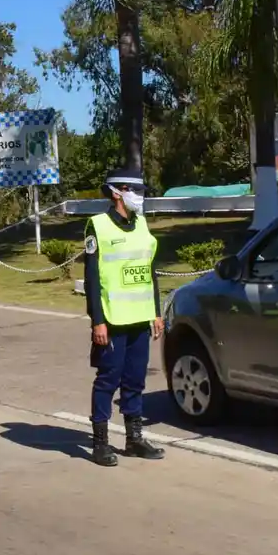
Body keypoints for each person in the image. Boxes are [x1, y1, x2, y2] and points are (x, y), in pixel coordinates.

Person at [83, 167, 166, 467]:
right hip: (113, 319)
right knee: (108, 380)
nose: (140, 197)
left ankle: (134, 439)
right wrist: (97, 321)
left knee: (135, 380)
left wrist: (156, 312)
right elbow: (92, 278)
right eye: (135, 191)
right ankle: (100, 443)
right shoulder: (98, 225)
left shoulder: (142, 224)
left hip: (140, 318)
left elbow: (149, 271)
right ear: (117, 192)